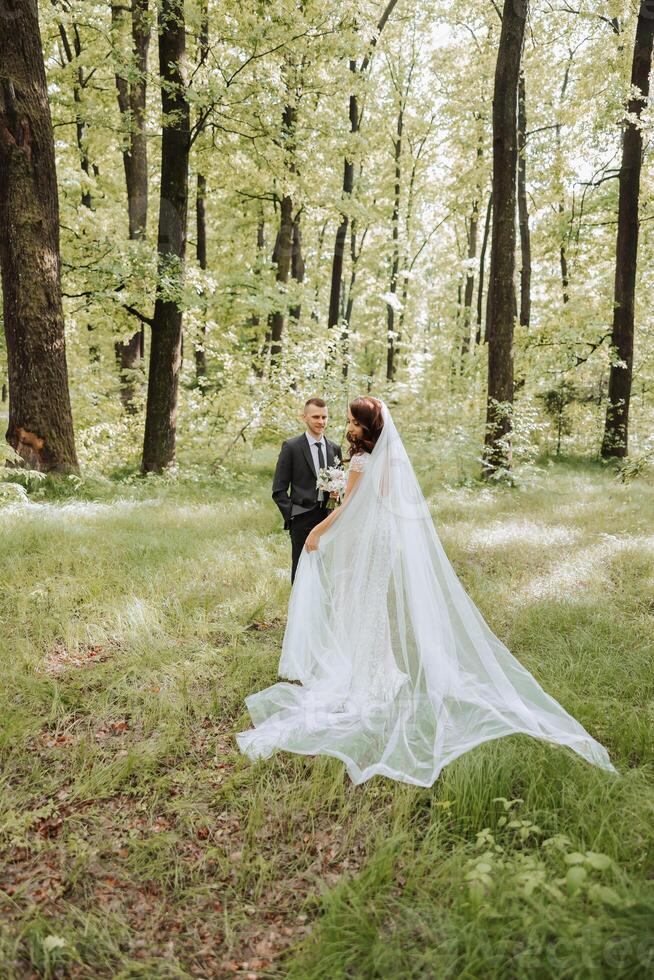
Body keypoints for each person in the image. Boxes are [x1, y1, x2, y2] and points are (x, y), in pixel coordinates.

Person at [237, 397, 617, 787]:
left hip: (366, 536)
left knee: (358, 604)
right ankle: (380, 672)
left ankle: (364, 682)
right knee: (372, 605)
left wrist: (317, 531)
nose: (346, 426)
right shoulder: (391, 459)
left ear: (365, 427)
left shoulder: (359, 462)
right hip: (385, 537)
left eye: (352, 421)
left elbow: (349, 507)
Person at [271, 397, 343, 583]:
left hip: (328, 518)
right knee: (301, 569)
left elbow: (341, 483)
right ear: (304, 417)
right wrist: (293, 515)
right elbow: (278, 489)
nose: (321, 422)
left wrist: (337, 496)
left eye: (324, 417)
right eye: (316, 417)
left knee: (325, 570)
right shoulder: (292, 447)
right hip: (301, 518)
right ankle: (299, 611)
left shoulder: (334, 448)